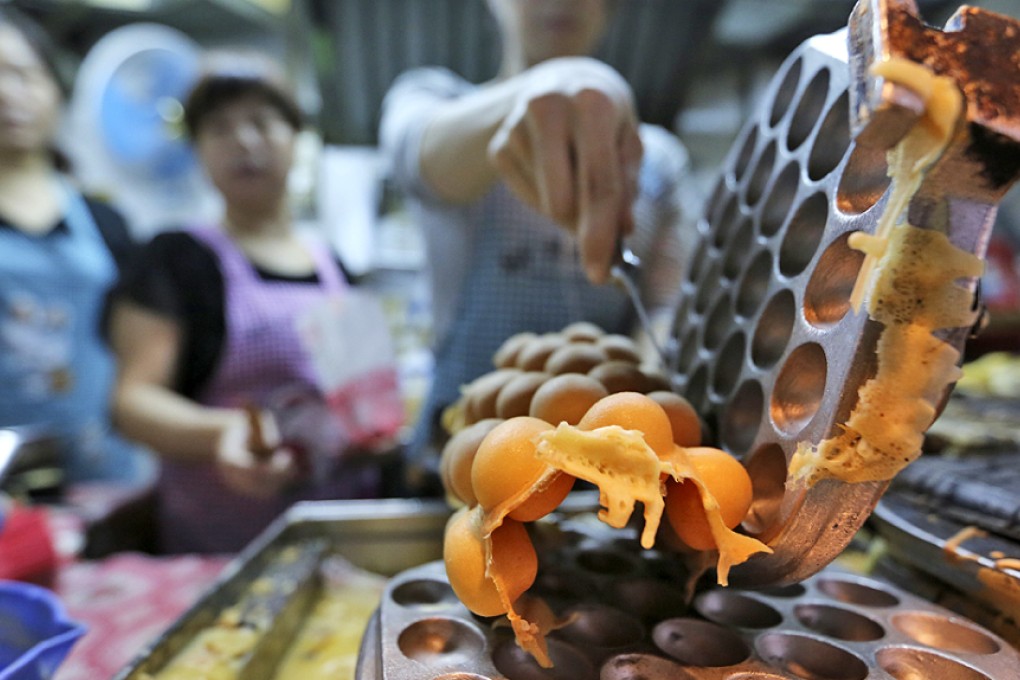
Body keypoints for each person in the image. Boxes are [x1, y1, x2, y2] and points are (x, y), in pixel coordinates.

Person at [379, 0, 694, 492]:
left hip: (599, 472)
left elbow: (664, 305)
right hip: (459, 456)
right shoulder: (435, 102)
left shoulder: (656, 159)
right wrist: (565, 80)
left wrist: (635, 393)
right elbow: (422, 163)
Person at [108, 52, 398, 554]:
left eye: (262, 123)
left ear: (296, 139)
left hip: (342, 533)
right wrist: (224, 432)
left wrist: (381, 431)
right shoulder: (177, 259)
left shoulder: (334, 264)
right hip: (223, 545)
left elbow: (368, 406)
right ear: (196, 150)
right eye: (219, 128)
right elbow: (132, 403)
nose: (243, 142)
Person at [0, 7, 153, 486]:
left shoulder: (106, 222)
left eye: (23, 75)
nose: (8, 94)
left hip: (112, 479)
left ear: (57, 91)